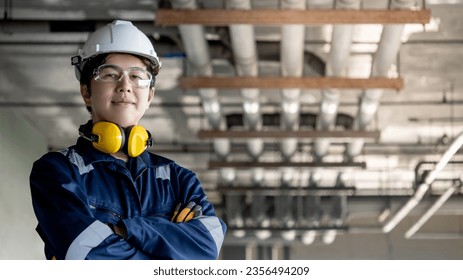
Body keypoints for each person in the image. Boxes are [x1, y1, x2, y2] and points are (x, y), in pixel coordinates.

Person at [29, 20, 227, 260]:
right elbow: (83, 252)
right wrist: (169, 243)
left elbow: (207, 248)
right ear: (86, 92)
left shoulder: (179, 180)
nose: (125, 86)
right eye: (110, 74)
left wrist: (123, 229)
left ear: (150, 95)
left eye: (137, 76)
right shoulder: (57, 171)